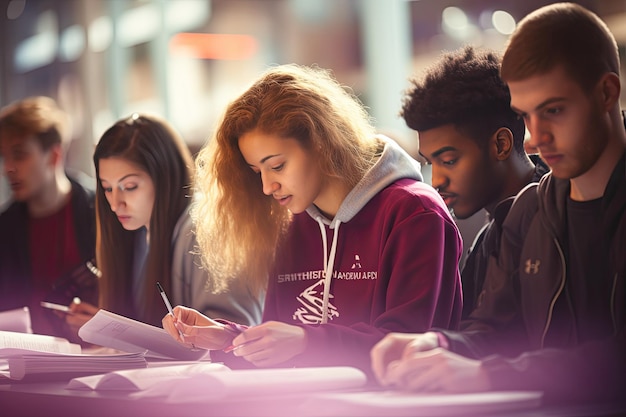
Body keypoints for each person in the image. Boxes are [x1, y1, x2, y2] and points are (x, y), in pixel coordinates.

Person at [370, 2, 626, 406]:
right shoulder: (528, 211)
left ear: (607, 93)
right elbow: (493, 331)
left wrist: (487, 374)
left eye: (553, 111)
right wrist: (435, 345)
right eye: (526, 115)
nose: (535, 138)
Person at [162, 64, 463, 374]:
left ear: (322, 144)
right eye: (257, 172)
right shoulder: (290, 224)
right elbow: (279, 347)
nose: (267, 187)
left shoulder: (415, 214)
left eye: (277, 166)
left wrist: (306, 341)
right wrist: (227, 338)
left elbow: (406, 348)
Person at [66, 114, 263, 333]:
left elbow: (229, 335)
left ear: (165, 178)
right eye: (107, 188)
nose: (115, 204)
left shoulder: (205, 231)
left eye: (130, 187)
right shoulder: (139, 233)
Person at [401, 45, 548, 318]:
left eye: (449, 160)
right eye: (429, 163)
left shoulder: (563, 220)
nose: (436, 181)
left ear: (501, 144)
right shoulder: (484, 242)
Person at [0, 96, 97, 343]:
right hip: (23, 364)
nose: (8, 168)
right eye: (4, 157)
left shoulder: (99, 213)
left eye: (19, 155)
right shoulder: (5, 228)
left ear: (54, 156)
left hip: (95, 355)